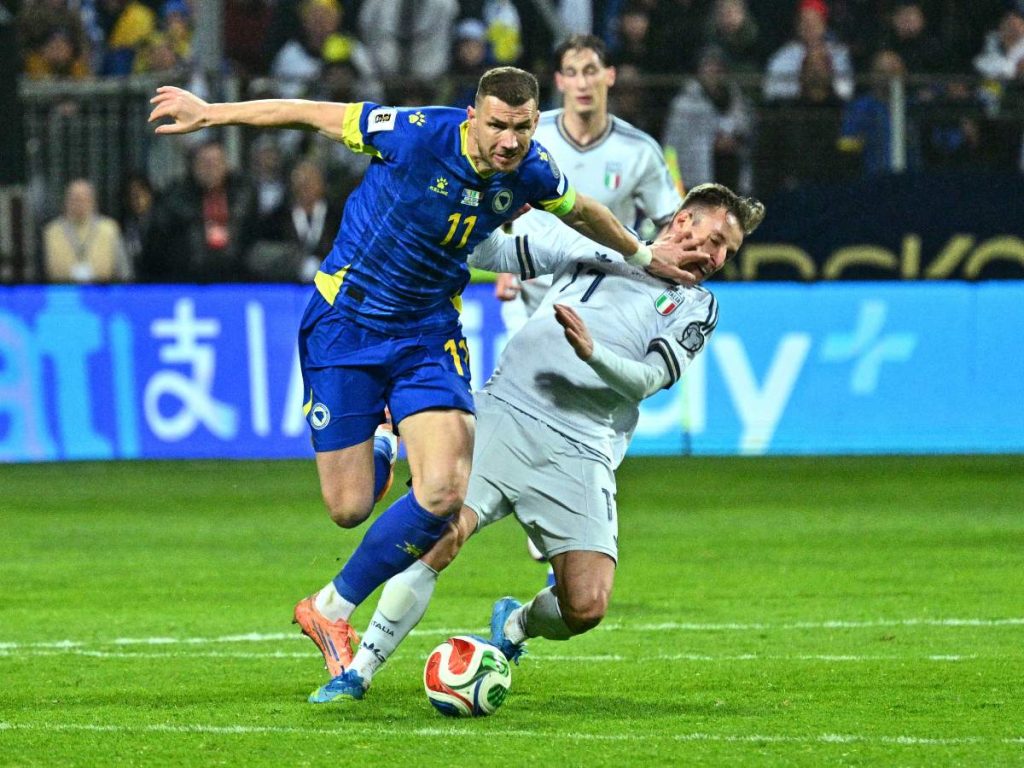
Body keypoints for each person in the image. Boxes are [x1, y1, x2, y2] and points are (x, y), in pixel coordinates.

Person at [148, 67, 711, 681]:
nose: (510, 141)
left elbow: (584, 212)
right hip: (346, 324)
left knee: (443, 492)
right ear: (472, 117)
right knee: (349, 507)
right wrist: (212, 114)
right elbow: (311, 113)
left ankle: (330, 608)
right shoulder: (416, 133)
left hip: (427, 332)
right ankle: (383, 440)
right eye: (498, 125)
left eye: (523, 128)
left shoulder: (532, 169)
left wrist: (642, 255)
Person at [309, 182, 765, 702]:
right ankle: (358, 672)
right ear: (683, 221)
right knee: (439, 535)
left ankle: (515, 626)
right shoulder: (598, 241)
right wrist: (489, 212)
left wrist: (592, 353)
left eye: (728, 252)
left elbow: (646, 381)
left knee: (586, 605)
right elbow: (486, 252)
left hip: (582, 446)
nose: (718, 258)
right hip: (506, 411)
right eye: (716, 240)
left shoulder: (697, 305)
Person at [42, 178, 130, 283]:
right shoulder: (51, 231)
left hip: (102, 290)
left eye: (84, 199)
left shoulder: (109, 228)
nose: (79, 204)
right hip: (62, 290)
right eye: (75, 199)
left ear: (93, 202)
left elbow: (123, 271)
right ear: (66, 202)